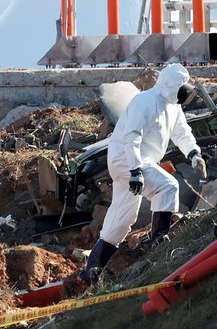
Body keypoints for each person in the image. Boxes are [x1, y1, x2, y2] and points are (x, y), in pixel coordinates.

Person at [78, 62, 207, 282]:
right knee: (168, 186)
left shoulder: (173, 107)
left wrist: (194, 153)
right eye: (181, 86)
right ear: (170, 85)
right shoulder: (145, 101)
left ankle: (92, 270)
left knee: (124, 217)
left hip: (138, 163)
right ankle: (159, 243)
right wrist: (136, 170)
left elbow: (182, 133)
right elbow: (132, 137)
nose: (185, 91)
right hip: (126, 158)